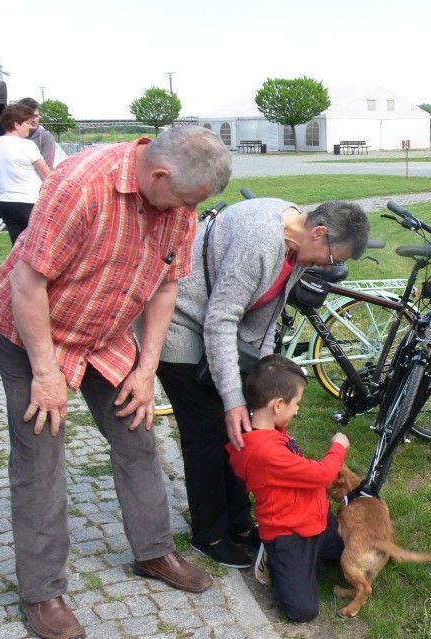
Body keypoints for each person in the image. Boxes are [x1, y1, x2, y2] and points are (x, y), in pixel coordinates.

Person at [0, 127, 232, 639]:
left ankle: (153, 552)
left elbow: (167, 284)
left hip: (105, 332)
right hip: (35, 334)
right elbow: (26, 282)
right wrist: (46, 374)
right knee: (41, 458)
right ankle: (42, 591)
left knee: (137, 436)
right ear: (159, 175)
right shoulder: (79, 185)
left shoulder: (177, 204)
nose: (186, 213)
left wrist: (146, 370)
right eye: (184, 202)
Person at [155, 197, 369, 569]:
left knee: (240, 435)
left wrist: (264, 389)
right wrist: (235, 400)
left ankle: (239, 525)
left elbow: (265, 325)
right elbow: (221, 319)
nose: (330, 268)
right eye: (333, 259)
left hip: (221, 335)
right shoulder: (260, 239)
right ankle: (211, 534)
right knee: (208, 433)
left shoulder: (297, 249)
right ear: (318, 232)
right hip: (182, 325)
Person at [227, 354, 349, 622]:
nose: (297, 410)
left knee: (361, 549)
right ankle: (274, 559)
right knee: (302, 612)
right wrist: (339, 445)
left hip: (318, 522)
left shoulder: (272, 430)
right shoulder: (264, 451)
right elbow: (323, 474)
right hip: (289, 536)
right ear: (278, 404)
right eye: (297, 404)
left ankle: (313, 553)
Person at [0, 104, 51, 244]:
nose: (30, 127)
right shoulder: (27, 145)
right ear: (17, 124)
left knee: (17, 248)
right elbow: (48, 176)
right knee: (35, 248)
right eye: (27, 123)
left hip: (6, 203)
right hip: (28, 202)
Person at [18, 97, 66, 168]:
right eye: (30, 116)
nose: (34, 120)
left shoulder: (45, 137)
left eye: (36, 116)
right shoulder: (12, 137)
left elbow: (47, 168)